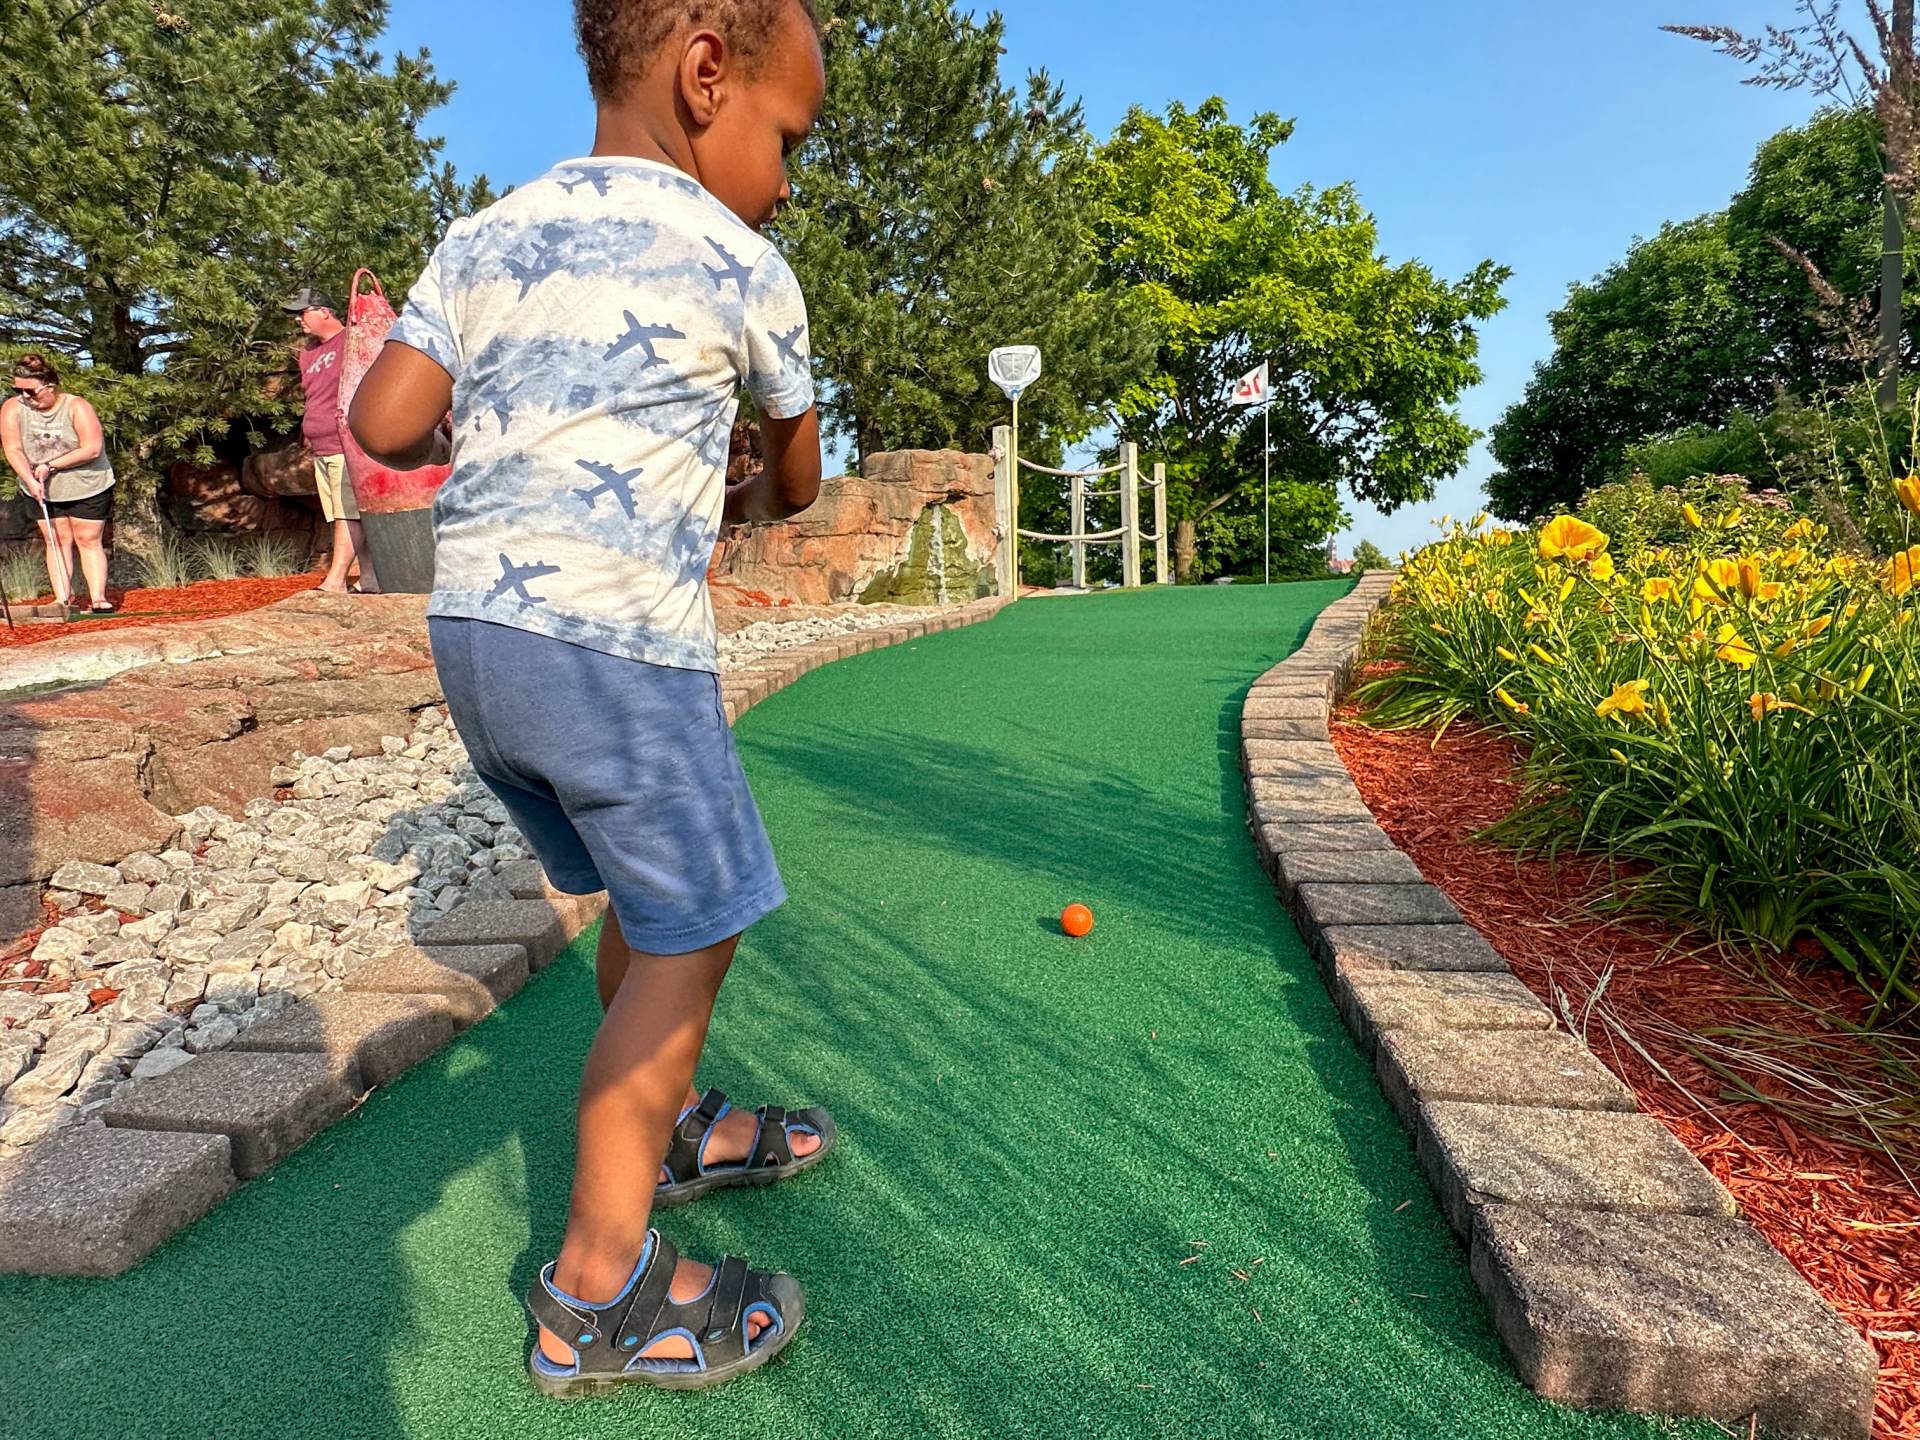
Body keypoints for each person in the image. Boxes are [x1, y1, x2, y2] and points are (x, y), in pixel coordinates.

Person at [349, 0, 830, 1395]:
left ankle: (672, 1120)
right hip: (618, 654)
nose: (788, 179)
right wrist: (751, 466)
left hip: (479, 642)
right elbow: (798, 484)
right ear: (703, 77)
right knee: (698, 930)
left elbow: (383, 428)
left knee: (641, 896)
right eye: (787, 136)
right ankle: (598, 1289)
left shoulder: (489, 231)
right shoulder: (746, 262)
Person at [1, 354, 117, 613]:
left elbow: (92, 448)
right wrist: (29, 479)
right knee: (56, 538)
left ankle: (98, 599)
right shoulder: (13, 408)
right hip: (41, 486)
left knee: (87, 538)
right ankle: (63, 599)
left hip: (87, 483)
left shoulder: (76, 406)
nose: (24, 396)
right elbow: (13, 448)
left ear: (50, 386)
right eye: (17, 390)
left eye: (30, 391)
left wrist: (51, 465)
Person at [283, 288, 379, 593]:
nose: (299, 319)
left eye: (304, 312)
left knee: (346, 512)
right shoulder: (307, 354)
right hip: (321, 447)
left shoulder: (353, 340)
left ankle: (336, 580)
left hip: (347, 444)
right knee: (344, 513)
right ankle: (371, 578)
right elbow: (313, 396)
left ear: (324, 311)